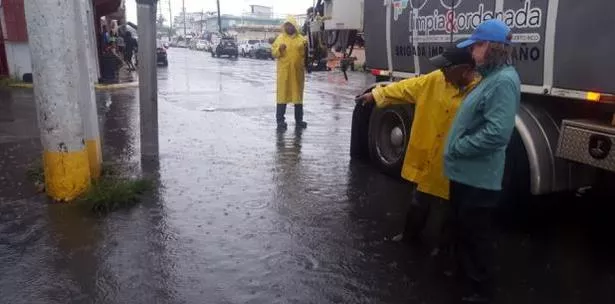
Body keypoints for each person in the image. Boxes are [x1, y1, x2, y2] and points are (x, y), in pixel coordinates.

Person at [356, 46, 479, 254]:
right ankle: (409, 236)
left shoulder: (479, 91)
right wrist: (376, 95)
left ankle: (443, 249)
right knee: (419, 200)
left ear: (465, 69)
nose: (442, 72)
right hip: (431, 159)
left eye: (447, 68)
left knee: (450, 210)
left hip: (455, 163)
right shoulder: (434, 80)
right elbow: (405, 88)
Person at [443, 19, 521, 303]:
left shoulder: (503, 82)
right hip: (467, 175)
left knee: (477, 238)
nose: (472, 52)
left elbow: (497, 133)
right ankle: (466, 281)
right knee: (465, 231)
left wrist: (460, 147)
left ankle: (480, 291)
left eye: (476, 45)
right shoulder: (491, 78)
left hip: (478, 178)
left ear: (490, 47)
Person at [272, 17, 308, 130]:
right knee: (282, 97)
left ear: (294, 26)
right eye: (286, 25)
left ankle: (299, 121)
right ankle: (280, 121)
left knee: (298, 98)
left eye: (290, 25)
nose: (288, 27)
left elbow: (307, 55)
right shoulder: (280, 39)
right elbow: (273, 53)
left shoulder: (302, 40)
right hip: (284, 74)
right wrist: (279, 49)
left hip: (297, 74)